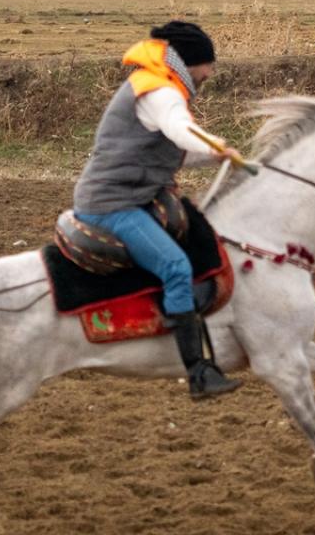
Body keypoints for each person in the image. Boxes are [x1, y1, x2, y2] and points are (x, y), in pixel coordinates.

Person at [72, 21, 243, 400]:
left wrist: (215, 156)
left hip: (131, 197)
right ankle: (198, 372)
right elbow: (182, 131)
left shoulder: (158, 85)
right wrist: (217, 146)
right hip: (112, 205)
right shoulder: (160, 91)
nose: (209, 74)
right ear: (193, 61)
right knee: (176, 267)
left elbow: (173, 150)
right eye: (209, 65)